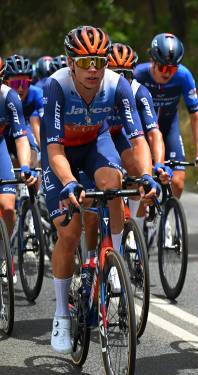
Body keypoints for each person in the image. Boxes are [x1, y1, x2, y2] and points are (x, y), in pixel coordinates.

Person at [42, 25, 157, 354]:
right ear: (71, 62)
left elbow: (137, 139)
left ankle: (116, 260)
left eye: (100, 61)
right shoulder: (57, 86)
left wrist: (147, 175)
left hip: (95, 143)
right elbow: (53, 150)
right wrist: (68, 182)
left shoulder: (118, 85)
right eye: (86, 61)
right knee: (69, 231)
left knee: (112, 185)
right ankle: (62, 313)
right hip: (62, 152)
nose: (93, 68)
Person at [106, 42, 169, 235]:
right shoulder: (97, 87)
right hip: (99, 137)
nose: (122, 79)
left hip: (120, 135)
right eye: (116, 74)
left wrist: (158, 164)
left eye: (127, 74)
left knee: (138, 169)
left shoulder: (139, 92)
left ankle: (136, 229)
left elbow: (153, 133)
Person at [134, 33, 198, 198]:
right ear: (153, 61)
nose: (167, 73)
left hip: (169, 127)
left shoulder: (183, 76)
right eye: (163, 67)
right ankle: (142, 221)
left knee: (178, 182)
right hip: (143, 131)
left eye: (172, 68)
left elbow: (196, 116)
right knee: (141, 183)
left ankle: (164, 219)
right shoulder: (139, 74)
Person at [0, 56, 37, 265]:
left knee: (7, 207)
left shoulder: (9, 97)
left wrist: (24, 167)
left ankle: (4, 255)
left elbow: (21, 136)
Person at [3, 54, 43, 164]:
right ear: (5, 82)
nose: (20, 88)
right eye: (15, 83)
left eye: (25, 83)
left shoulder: (37, 93)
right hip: (2, 133)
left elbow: (47, 125)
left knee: (32, 160)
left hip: (22, 129)